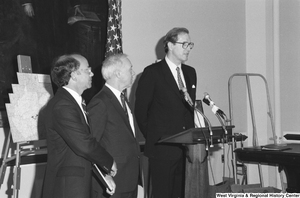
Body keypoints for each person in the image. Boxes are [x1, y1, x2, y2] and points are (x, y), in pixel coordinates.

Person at [42, 54, 117, 198]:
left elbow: (81, 149)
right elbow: (84, 145)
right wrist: (109, 161)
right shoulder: (62, 105)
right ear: (74, 75)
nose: (92, 73)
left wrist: (103, 175)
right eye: (87, 70)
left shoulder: (72, 103)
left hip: (75, 185)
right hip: (67, 188)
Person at [134, 27, 197, 198]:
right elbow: (141, 111)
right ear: (169, 45)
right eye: (184, 44)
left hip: (187, 150)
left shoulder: (190, 73)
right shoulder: (152, 73)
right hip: (162, 149)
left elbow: (188, 111)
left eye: (190, 44)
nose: (188, 48)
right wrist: (156, 138)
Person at [87, 54, 141, 198]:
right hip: (112, 182)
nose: (133, 73)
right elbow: (92, 144)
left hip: (129, 179)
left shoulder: (122, 100)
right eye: (130, 69)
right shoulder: (100, 102)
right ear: (118, 73)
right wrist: (105, 174)